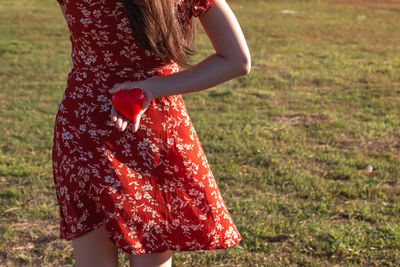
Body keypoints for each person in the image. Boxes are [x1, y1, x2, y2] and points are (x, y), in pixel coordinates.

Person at [52, 0, 251, 266]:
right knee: (152, 249)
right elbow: (237, 60)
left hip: (86, 121)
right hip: (156, 125)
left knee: (92, 257)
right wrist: (151, 88)